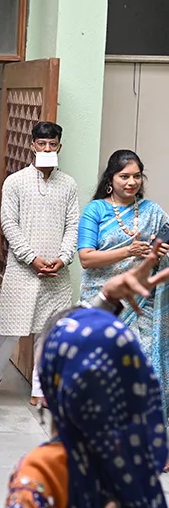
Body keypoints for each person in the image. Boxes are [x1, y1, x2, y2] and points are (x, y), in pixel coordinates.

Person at [0, 247, 169, 508]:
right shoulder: (137, 459)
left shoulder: (45, 470)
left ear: (52, 380)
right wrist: (106, 300)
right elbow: (91, 353)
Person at [0, 122, 79, 406]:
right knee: (9, 330)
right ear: (32, 145)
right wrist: (31, 258)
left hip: (57, 272)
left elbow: (73, 224)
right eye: (42, 143)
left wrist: (63, 258)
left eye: (52, 144)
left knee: (49, 331)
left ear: (59, 146)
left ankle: (40, 388)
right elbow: (9, 224)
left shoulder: (68, 184)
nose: (47, 148)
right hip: (23, 270)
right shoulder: (15, 182)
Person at [78, 149, 169, 403]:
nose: (131, 182)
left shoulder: (152, 211)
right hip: (104, 300)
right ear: (111, 179)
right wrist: (127, 251)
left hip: (143, 303)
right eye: (124, 176)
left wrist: (160, 252)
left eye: (137, 176)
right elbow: (86, 258)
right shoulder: (95, 210)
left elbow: (163, 253)